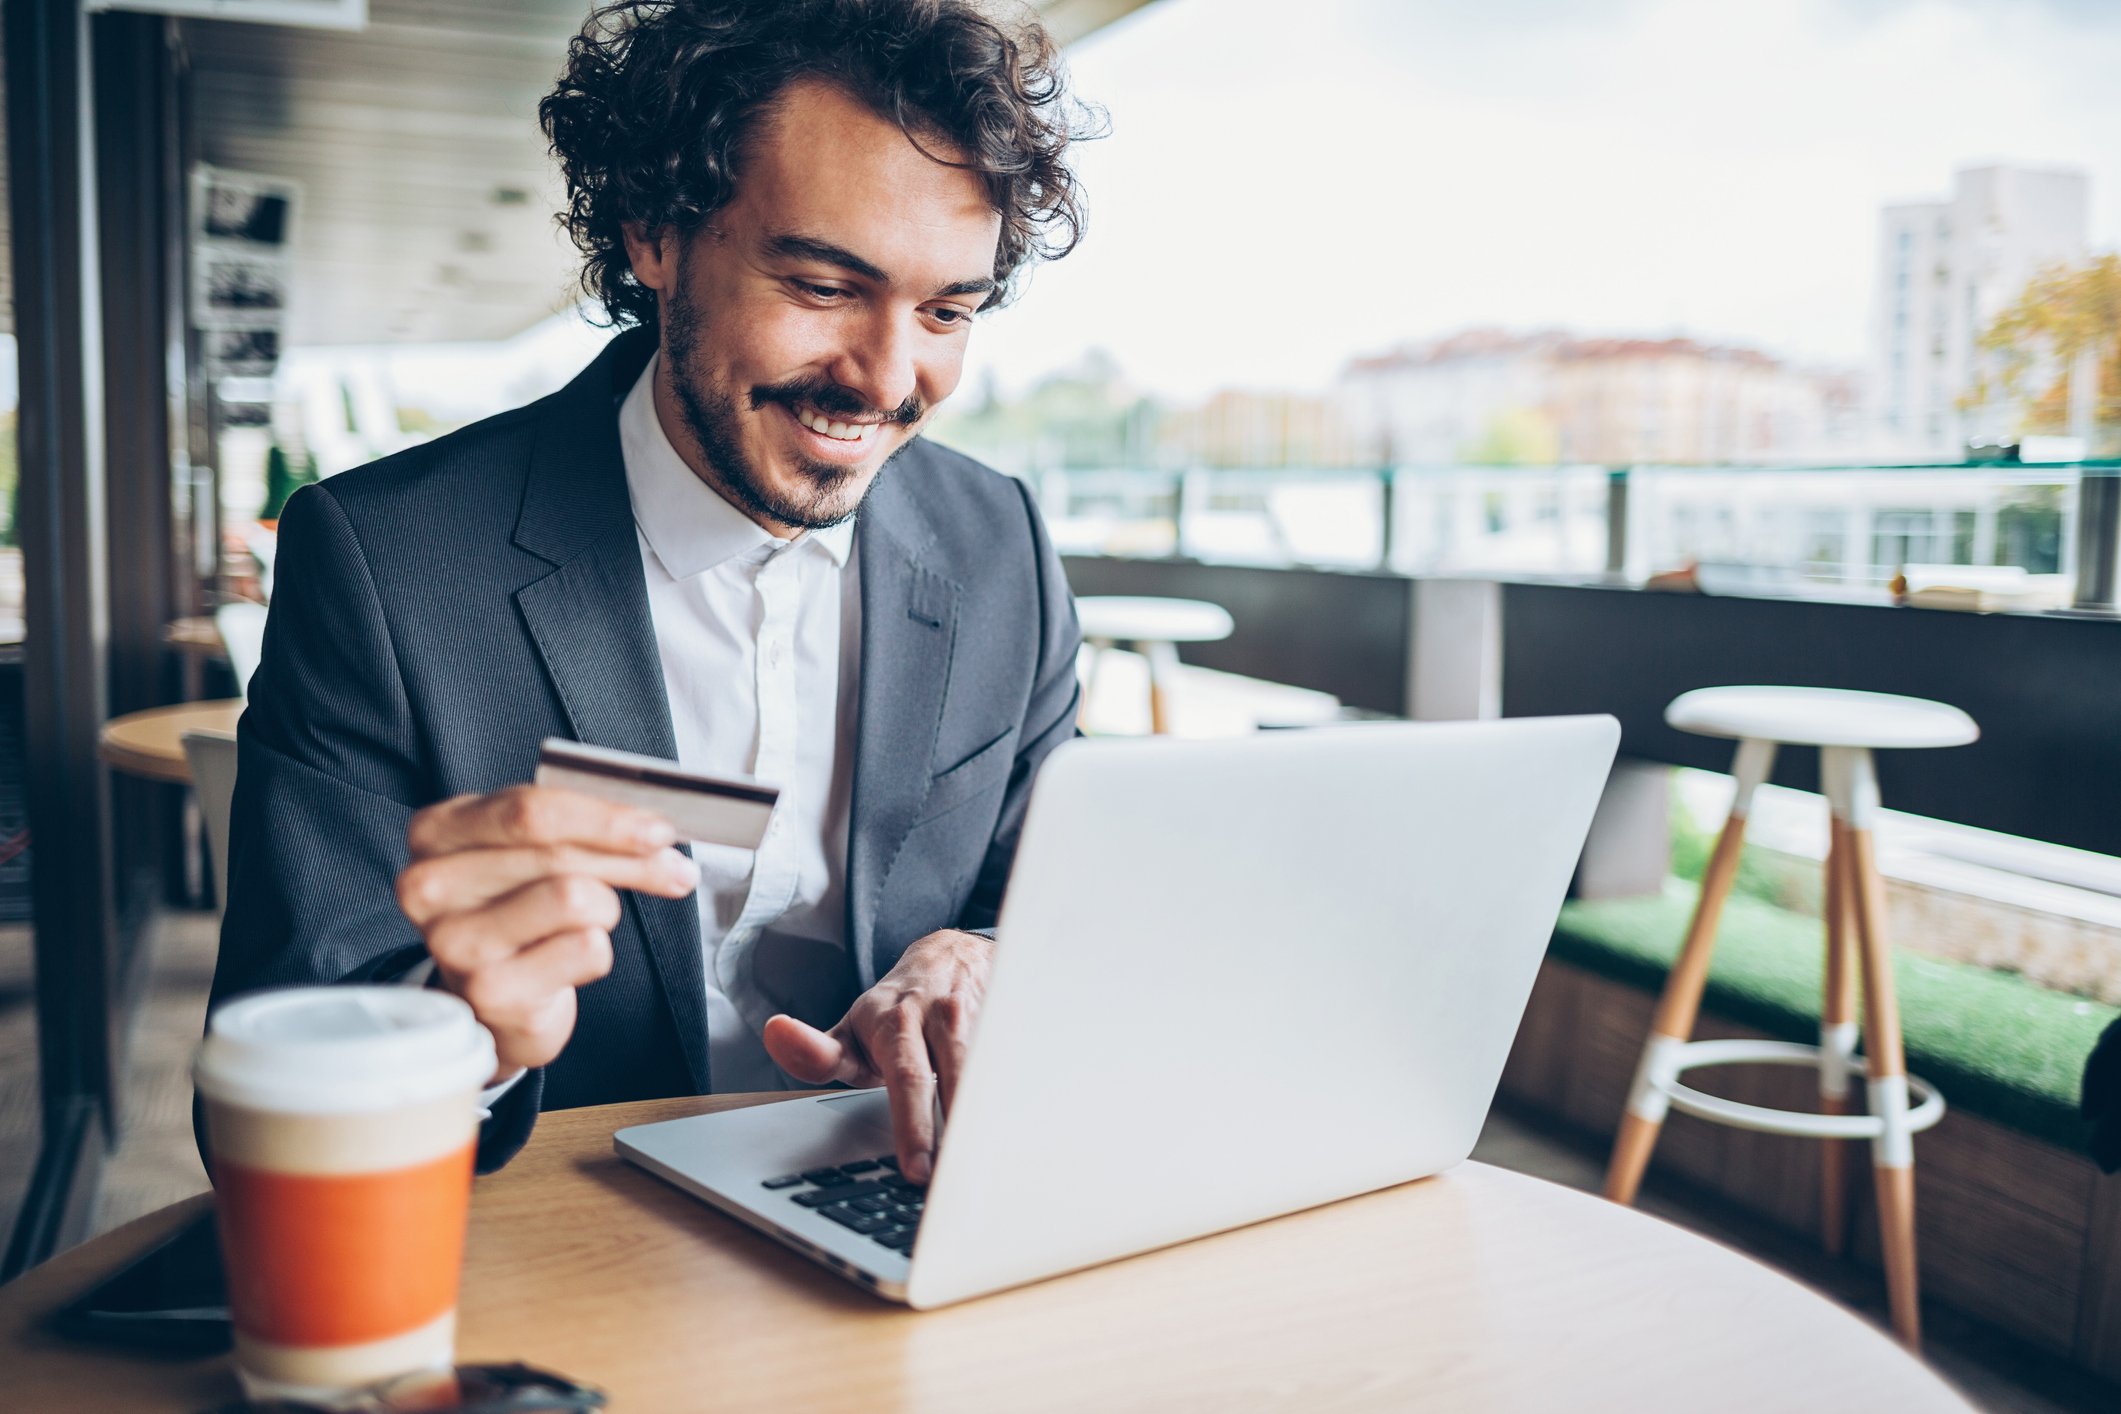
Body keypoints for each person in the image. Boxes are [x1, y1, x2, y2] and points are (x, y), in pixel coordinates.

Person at [209, 0, 1096, 1179]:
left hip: (899, 1207)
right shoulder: (385, 562)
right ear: (655, 232)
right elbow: (256, 1110)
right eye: (825, 285)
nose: (886, 380)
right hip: (564, 1254)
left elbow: (1063, 903)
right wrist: (456, 1029)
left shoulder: (1001, 546)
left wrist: (980, 954)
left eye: (945, 311)